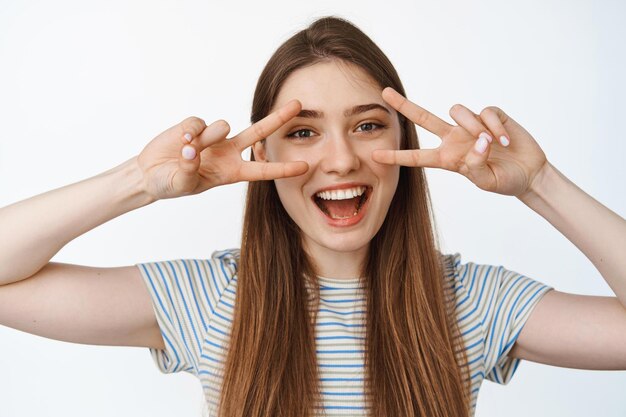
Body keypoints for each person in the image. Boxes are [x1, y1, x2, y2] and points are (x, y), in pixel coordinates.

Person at [0, 15, 624, 417]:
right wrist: (139, 181)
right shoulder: (212, 299)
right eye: (303, 132)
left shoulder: (470, 301)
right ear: (260, 155)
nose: (341, 158)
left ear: (406, 150)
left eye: (368, 126)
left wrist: (539, 184)